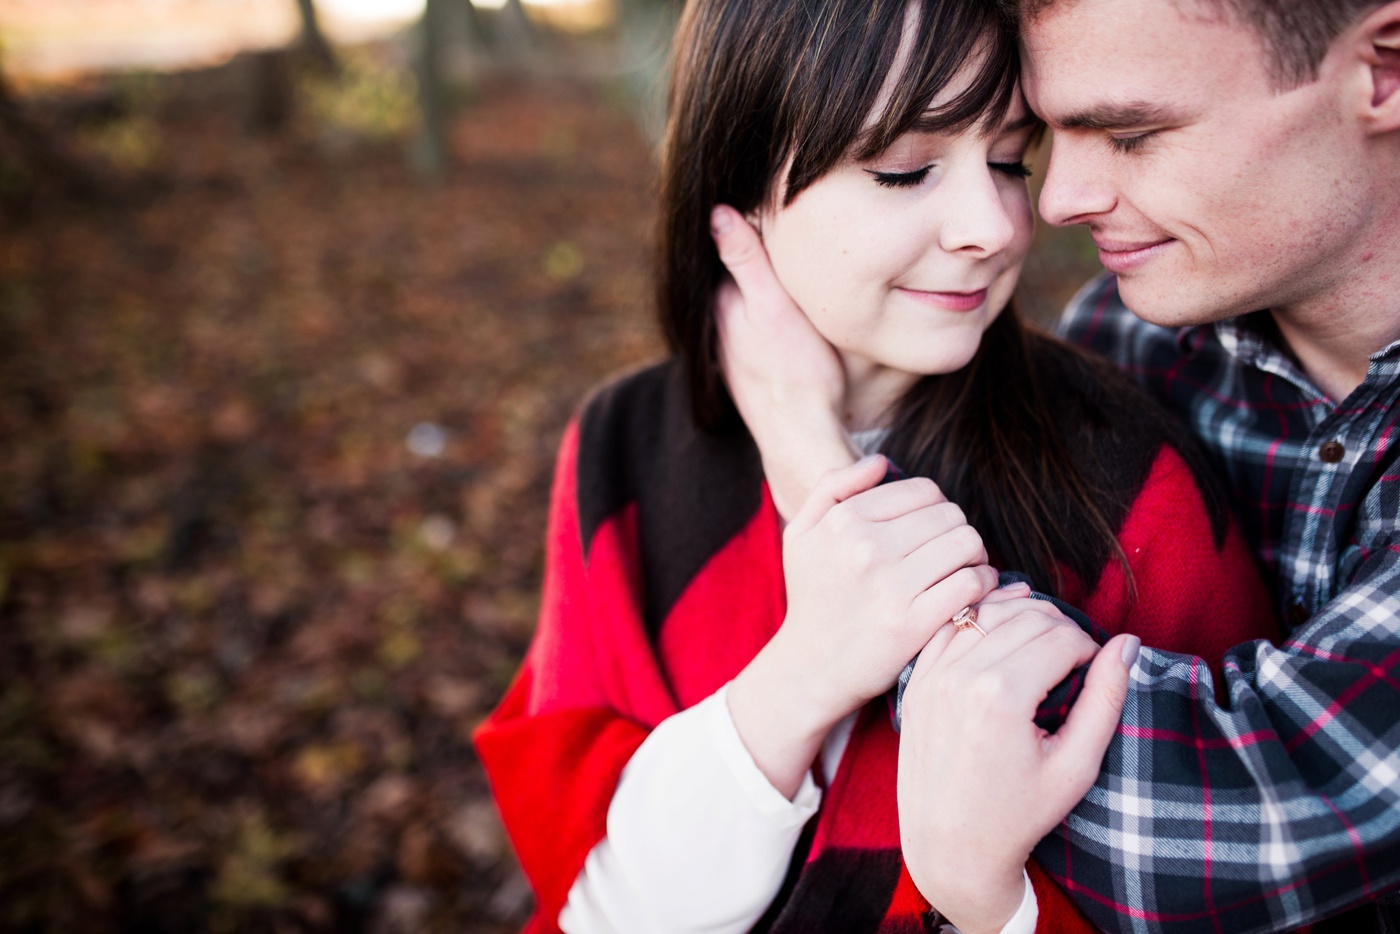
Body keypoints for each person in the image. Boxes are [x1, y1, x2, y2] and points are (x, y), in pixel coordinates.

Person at [473, 0, 1275, 932]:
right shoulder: (623, 447)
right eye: (905, 169)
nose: (996, 225)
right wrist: (804, 678)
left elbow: (1228, 897)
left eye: (1012, 159)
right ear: (737, 180)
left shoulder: (1126, 488)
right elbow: (601, 903)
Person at [709, 0, 1400, 930]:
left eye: (1131, 133)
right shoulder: (1130, 339)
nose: (1049, 202)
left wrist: (818, 474)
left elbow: (1252, 820)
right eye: (1042, 142)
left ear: (1384, 72)